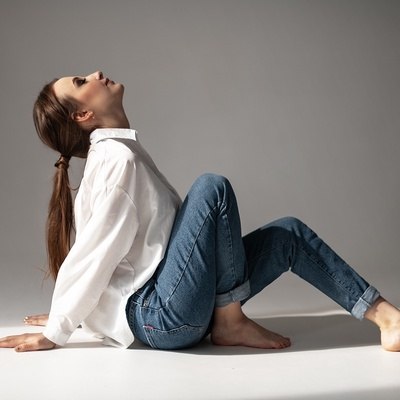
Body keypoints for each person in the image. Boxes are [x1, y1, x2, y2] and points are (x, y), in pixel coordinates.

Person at [1, 71, 399, 353]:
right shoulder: (116, 160)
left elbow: (126, 258)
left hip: (179, 303)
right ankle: (230, 321)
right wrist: (60, 325)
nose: (95, 74)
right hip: (161, 317)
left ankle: (388, 319)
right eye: (80, 82)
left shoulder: (121, 153)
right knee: (212, 188)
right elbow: (95, 252)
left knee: (286, 234)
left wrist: (76, 314)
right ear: (82, 116)